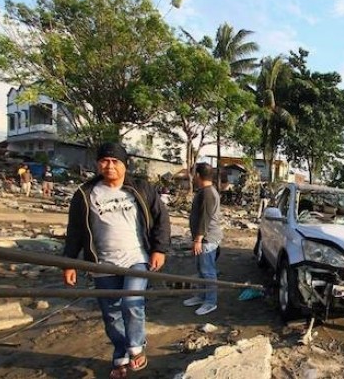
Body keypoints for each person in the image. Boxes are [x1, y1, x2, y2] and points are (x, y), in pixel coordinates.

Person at [62, 142, 170, 379]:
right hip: (103, 263)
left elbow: (161, 218)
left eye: (115, 161)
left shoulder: (141, 188)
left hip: (136, 259)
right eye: (104, 161)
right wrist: (69, 262)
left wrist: (159, 249)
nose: (109, 166)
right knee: (110, 313)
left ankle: (135, 346)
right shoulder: (85, 194)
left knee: (131, 302)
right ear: (98, 164)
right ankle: (120, 352)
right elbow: (75, 232)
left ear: (125, 165)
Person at [183, 162, 223, 316]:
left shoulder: (208, 193)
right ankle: (201, 296)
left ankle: (210, 302)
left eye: (194, 174)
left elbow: (205, 219)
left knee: (208, 271)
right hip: (203, 238)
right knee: (200, 270)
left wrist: (198, 239)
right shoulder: (206, 191)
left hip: (207, 239)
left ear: (198, 175)